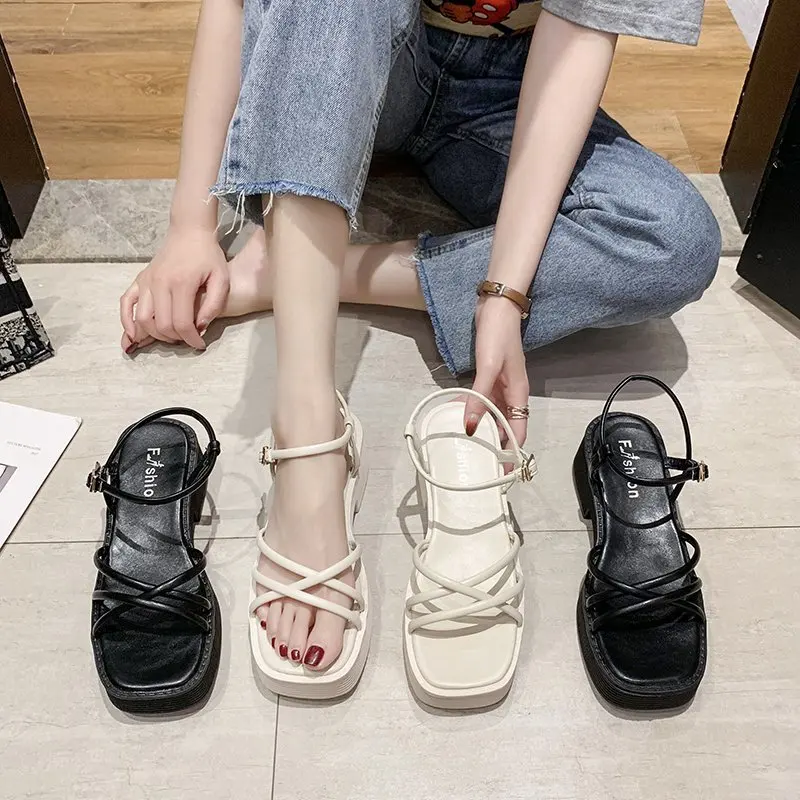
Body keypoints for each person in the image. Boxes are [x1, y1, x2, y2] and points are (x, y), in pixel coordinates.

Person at [119, 0, 721, 670]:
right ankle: (307, 439)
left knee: (675, 242)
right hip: (348, 47)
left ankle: (302, 272)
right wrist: (190, 225)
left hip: (507, 86)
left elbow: (581, 29)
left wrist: (504, 292)